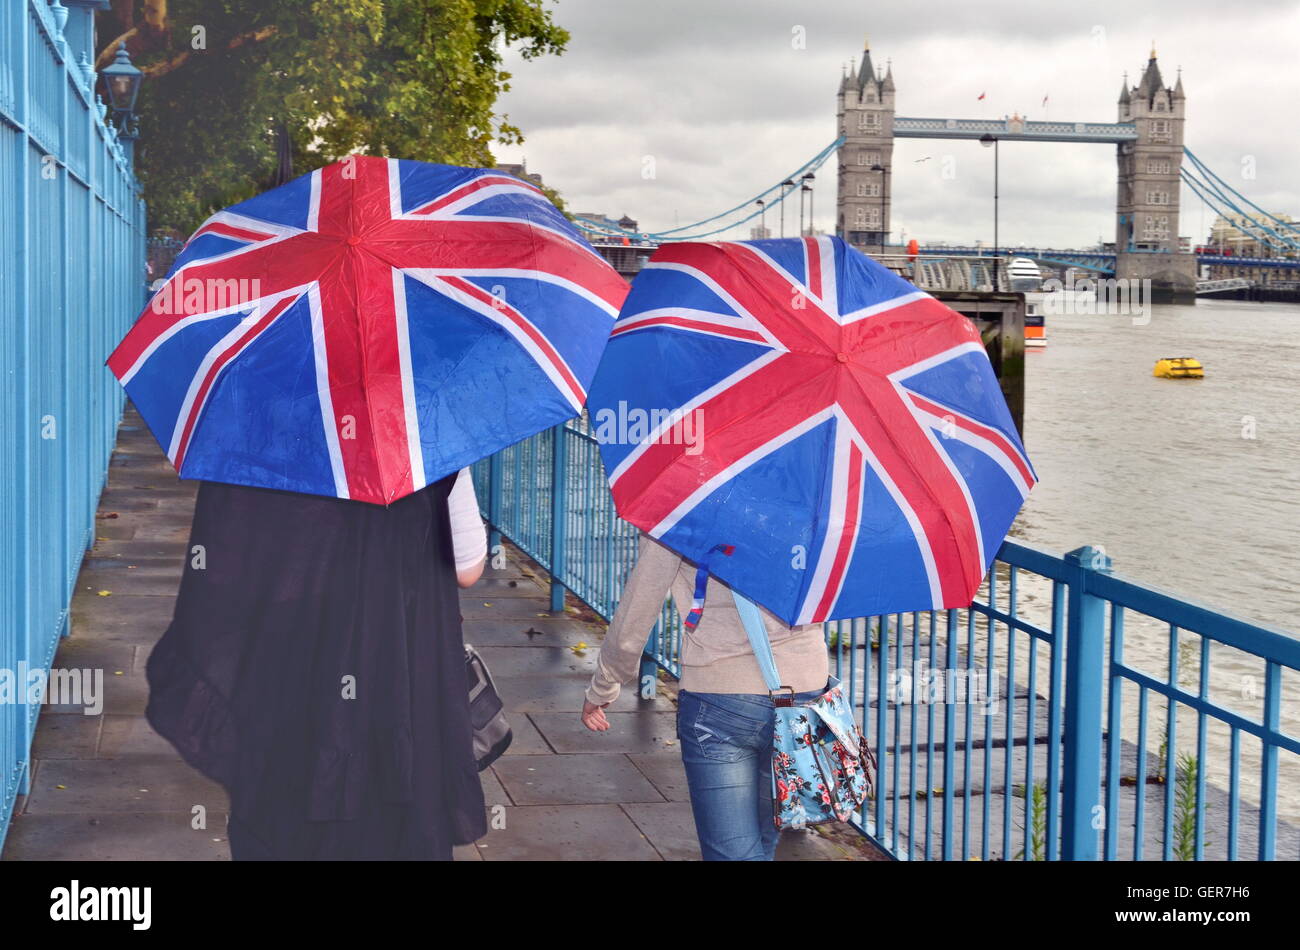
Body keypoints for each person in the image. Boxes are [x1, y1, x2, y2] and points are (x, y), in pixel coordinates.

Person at [145, 468, 488, 860]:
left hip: (284, 678)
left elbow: (224, 568)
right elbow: (468, 568)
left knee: (278, 815)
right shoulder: (424, 441)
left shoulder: (256, 439)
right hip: (395, 689)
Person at [580, 533, 829, 861]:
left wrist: (605, 683)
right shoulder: (819, 499)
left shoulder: (689, 501)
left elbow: (641, 600)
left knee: (735, 853)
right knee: (764, 841)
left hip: (721, 692)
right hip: (804, 694)